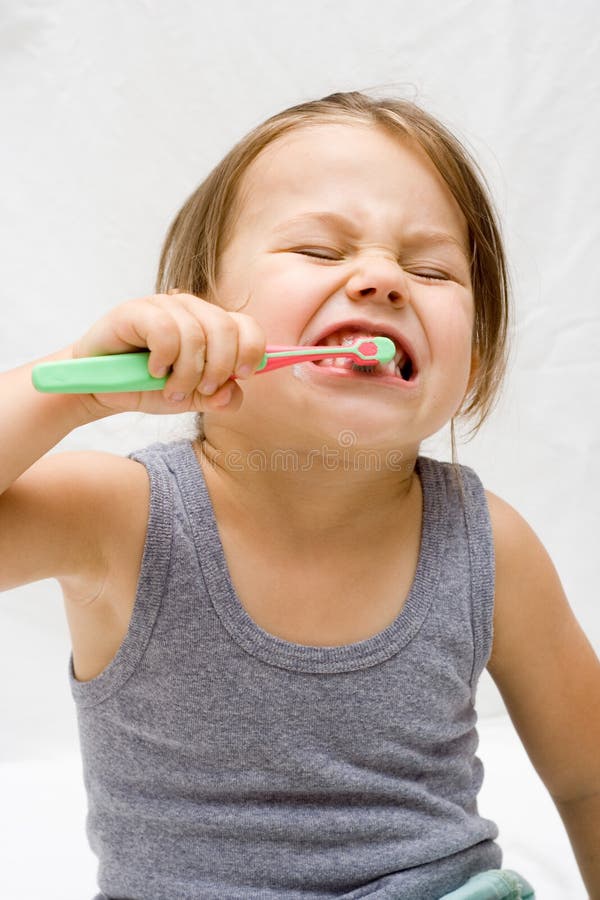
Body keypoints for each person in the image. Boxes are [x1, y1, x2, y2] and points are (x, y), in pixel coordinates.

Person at [1, 91, 598, 900]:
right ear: (199, 312)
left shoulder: (489, 544)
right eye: (319, 249)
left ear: (476, 355)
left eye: (431, 270)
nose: (384, 279)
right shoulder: (120, 518)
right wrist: (68, 386)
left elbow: (589, 783)